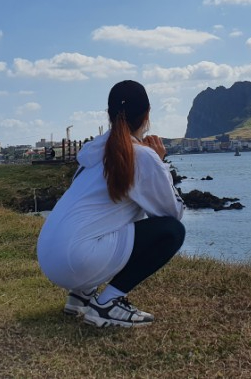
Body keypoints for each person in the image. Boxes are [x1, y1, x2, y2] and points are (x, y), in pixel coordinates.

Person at [36, 80, 185, 328]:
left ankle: (81, 295)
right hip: (78, 260)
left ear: (109, 114)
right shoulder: (143, 156)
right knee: (172, 231)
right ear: (147, 114)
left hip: (49, 258)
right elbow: (172, 213)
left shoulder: (94, 152)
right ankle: (108, 303)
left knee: (110, 220)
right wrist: (161, 164)